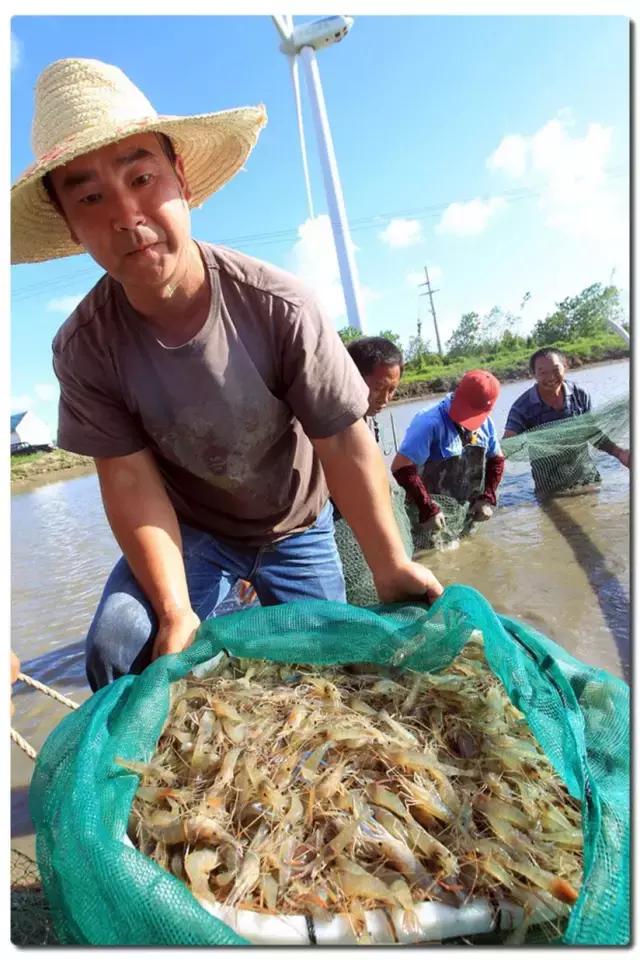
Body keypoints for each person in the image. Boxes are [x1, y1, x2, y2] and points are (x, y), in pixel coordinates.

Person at [11, 58, 443, 691]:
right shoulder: (84, 347)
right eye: (91, 196)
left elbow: (345, 442)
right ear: (70, 223)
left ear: (180, 179)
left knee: (330, 670)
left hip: (294, 520)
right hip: (194, 528)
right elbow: (128, 480)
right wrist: (174, 609)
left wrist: (391, 564)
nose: (127, 216)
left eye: (142, 177)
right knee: (121, 649)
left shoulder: (278, 305)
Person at [503, 348, 629, 496]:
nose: (551, 377)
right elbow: (508, 443)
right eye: (543, 372)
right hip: (549, 486)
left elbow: (592, 433)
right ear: (534, 374)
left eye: (556, 370)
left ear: (566, 366)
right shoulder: (522, 406)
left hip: (586, 478)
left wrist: (620, 453)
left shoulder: (579, 394)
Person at [391, 370, 505, 533]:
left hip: (467, 513)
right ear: (457, 392)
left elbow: (497, 460)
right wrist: (427, 508)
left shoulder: (487, 425)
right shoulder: (429, 422)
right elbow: (400, 467)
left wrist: (487, 497)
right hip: (427, 518)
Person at [346, 336, 403, 442]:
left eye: (391, 390)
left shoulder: (367, 417)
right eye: (378, 388)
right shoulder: (333, 424)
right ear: (354, 378)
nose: (384, 399)